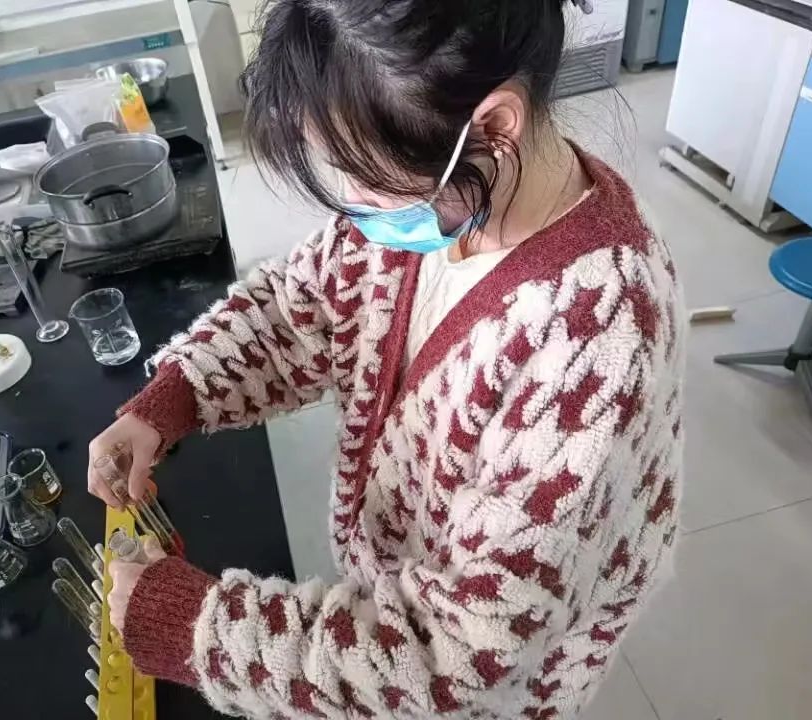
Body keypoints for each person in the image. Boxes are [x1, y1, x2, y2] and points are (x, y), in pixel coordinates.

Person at [90, 0, 685, 717]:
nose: (352, 204)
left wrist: (197, 627)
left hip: (496, 680)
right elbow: (304, 306)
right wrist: (175, 396)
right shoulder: (445, 196)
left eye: (365, 173)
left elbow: (457, 656)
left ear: (494, 127)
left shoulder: (597, 335)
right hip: (398, 582)